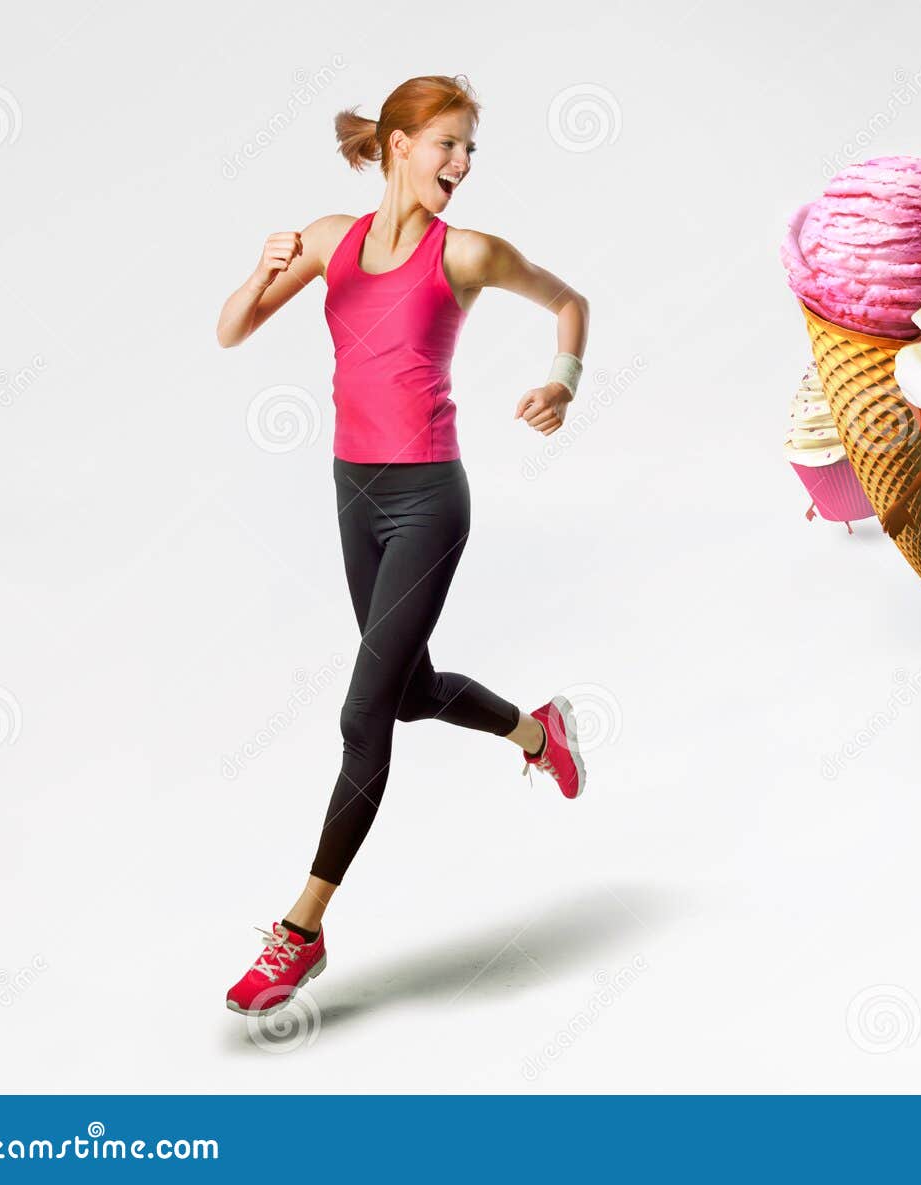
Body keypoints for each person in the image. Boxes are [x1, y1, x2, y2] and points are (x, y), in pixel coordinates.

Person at [215, 74, 589, 1016]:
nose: (461, 166)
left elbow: (569, 300)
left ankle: (300, 931)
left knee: (362, 714)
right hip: (352, 489)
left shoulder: (465, 252)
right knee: (410, 691)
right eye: (446, 146)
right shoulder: (329, 239)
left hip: (428, 500)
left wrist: (564, 382)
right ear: (396, 146)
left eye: (470, 150)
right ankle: (538, 731)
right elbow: (231, 330)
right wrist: (262, 271)